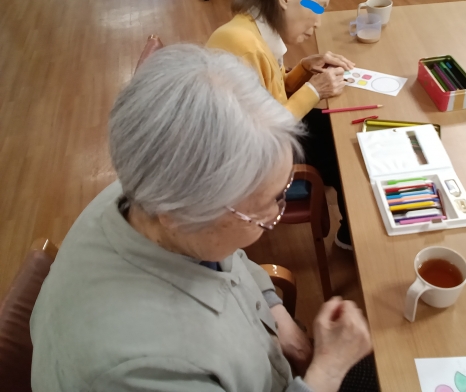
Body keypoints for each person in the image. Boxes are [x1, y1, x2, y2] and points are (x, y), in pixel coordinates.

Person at [30, 45, 373, 392]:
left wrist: (276, 312)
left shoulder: (149, 189)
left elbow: (229, 259)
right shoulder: (142, 369)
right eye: (265, 207)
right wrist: (328, 372)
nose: (274, 215)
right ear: (179, 214)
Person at [206, 0, 355, 251]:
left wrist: (304, 69)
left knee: (334, 128)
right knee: (344, 149)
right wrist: (316, 90)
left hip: (262, 137)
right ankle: (350, 232)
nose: (318, 20)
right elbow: (266, 128)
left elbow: (268, 93)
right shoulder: (244, 46)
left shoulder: (252, 30)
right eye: (317, 7)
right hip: (252, 159)